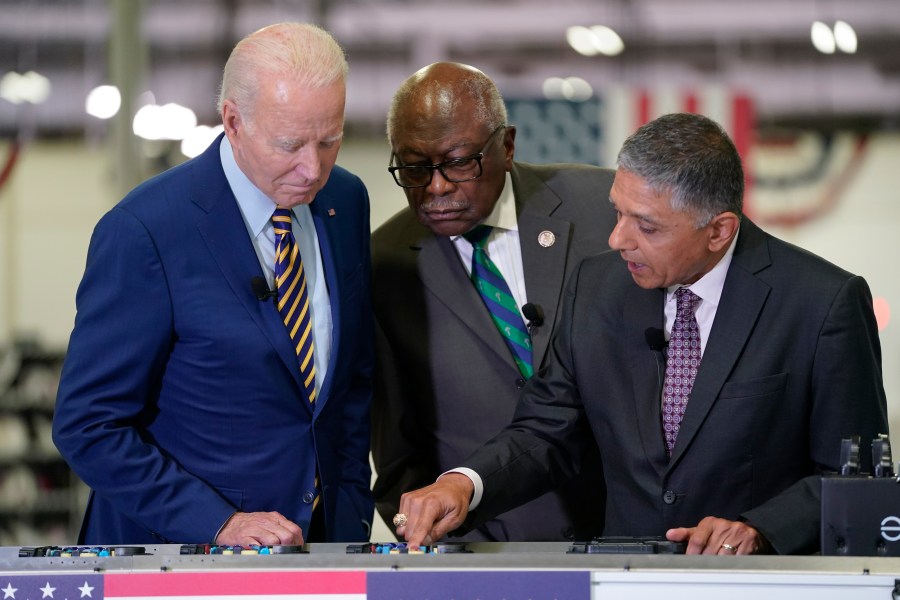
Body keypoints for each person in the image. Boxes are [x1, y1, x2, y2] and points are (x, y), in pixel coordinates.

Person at [392, 112, 889, 555]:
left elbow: (856, 479)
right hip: (625, 580)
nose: (617, 239)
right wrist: (463, 484)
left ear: (718, 230)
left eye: (646, 226)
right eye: (617, 212)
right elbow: (548, 429)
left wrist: (760, 529)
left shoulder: (822, 304)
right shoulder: (596, 285)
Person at [52, 23, 374, 545]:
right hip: (176, 556)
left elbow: (351, 383)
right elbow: (88, 426)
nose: (312, 168)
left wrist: (353, 507)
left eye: (330, 140)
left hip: (321, 547)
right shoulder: (145, 230)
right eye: (290, 144)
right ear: (233, 121)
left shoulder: (345, 202)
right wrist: (217, 523)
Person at [371, 62, 616, 542]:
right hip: (489, 557)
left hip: (635, 540)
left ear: (506, 145)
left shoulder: (603, 209)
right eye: (414, 167)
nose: (436, 187)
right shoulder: (383, 265)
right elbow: (398, 455)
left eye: (459, 161)